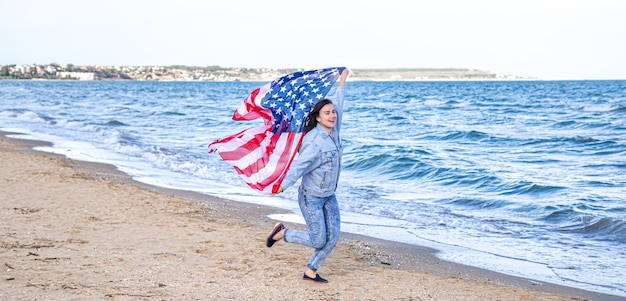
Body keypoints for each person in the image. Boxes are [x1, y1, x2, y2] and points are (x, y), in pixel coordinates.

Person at [265, 68, 349, 283]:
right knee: (318, 239)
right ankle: (282, 233)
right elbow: (299, 166)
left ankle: (311, 271)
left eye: (333, 113)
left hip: (329, 194)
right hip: (311, 196)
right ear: (318, 118)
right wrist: (282, 185)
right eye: (327, 113)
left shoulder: (334, 130)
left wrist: (342, 81)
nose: (332, 115)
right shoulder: (313, 140)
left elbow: (339, 104)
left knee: (333, 237)